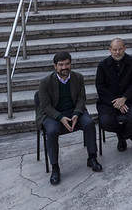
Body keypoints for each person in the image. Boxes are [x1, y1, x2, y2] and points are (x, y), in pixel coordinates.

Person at [37, 51, 101, 185]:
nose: (64, 67)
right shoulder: (45, 82)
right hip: (53, 114)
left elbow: (81, 98)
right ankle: (55, 167)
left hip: (73, 111)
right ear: (55, 66)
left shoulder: (78, 77)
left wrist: (77, 113)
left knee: (89, 123)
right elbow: (45, 106)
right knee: (52, 131)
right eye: (61, 65)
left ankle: (92, 157)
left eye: (67, 64)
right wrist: (60, 117)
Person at [95, 38, 132, 152]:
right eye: (114, 49)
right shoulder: (102, 65)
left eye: (120, 49)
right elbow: (100, 87)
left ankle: (122, 137)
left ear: (125, 48)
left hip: (130, 99)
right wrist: (116, 101)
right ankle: (125, 133)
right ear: (110, 50)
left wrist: (124, 98)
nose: (117, 52)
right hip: (109, 102)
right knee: (105, 122)